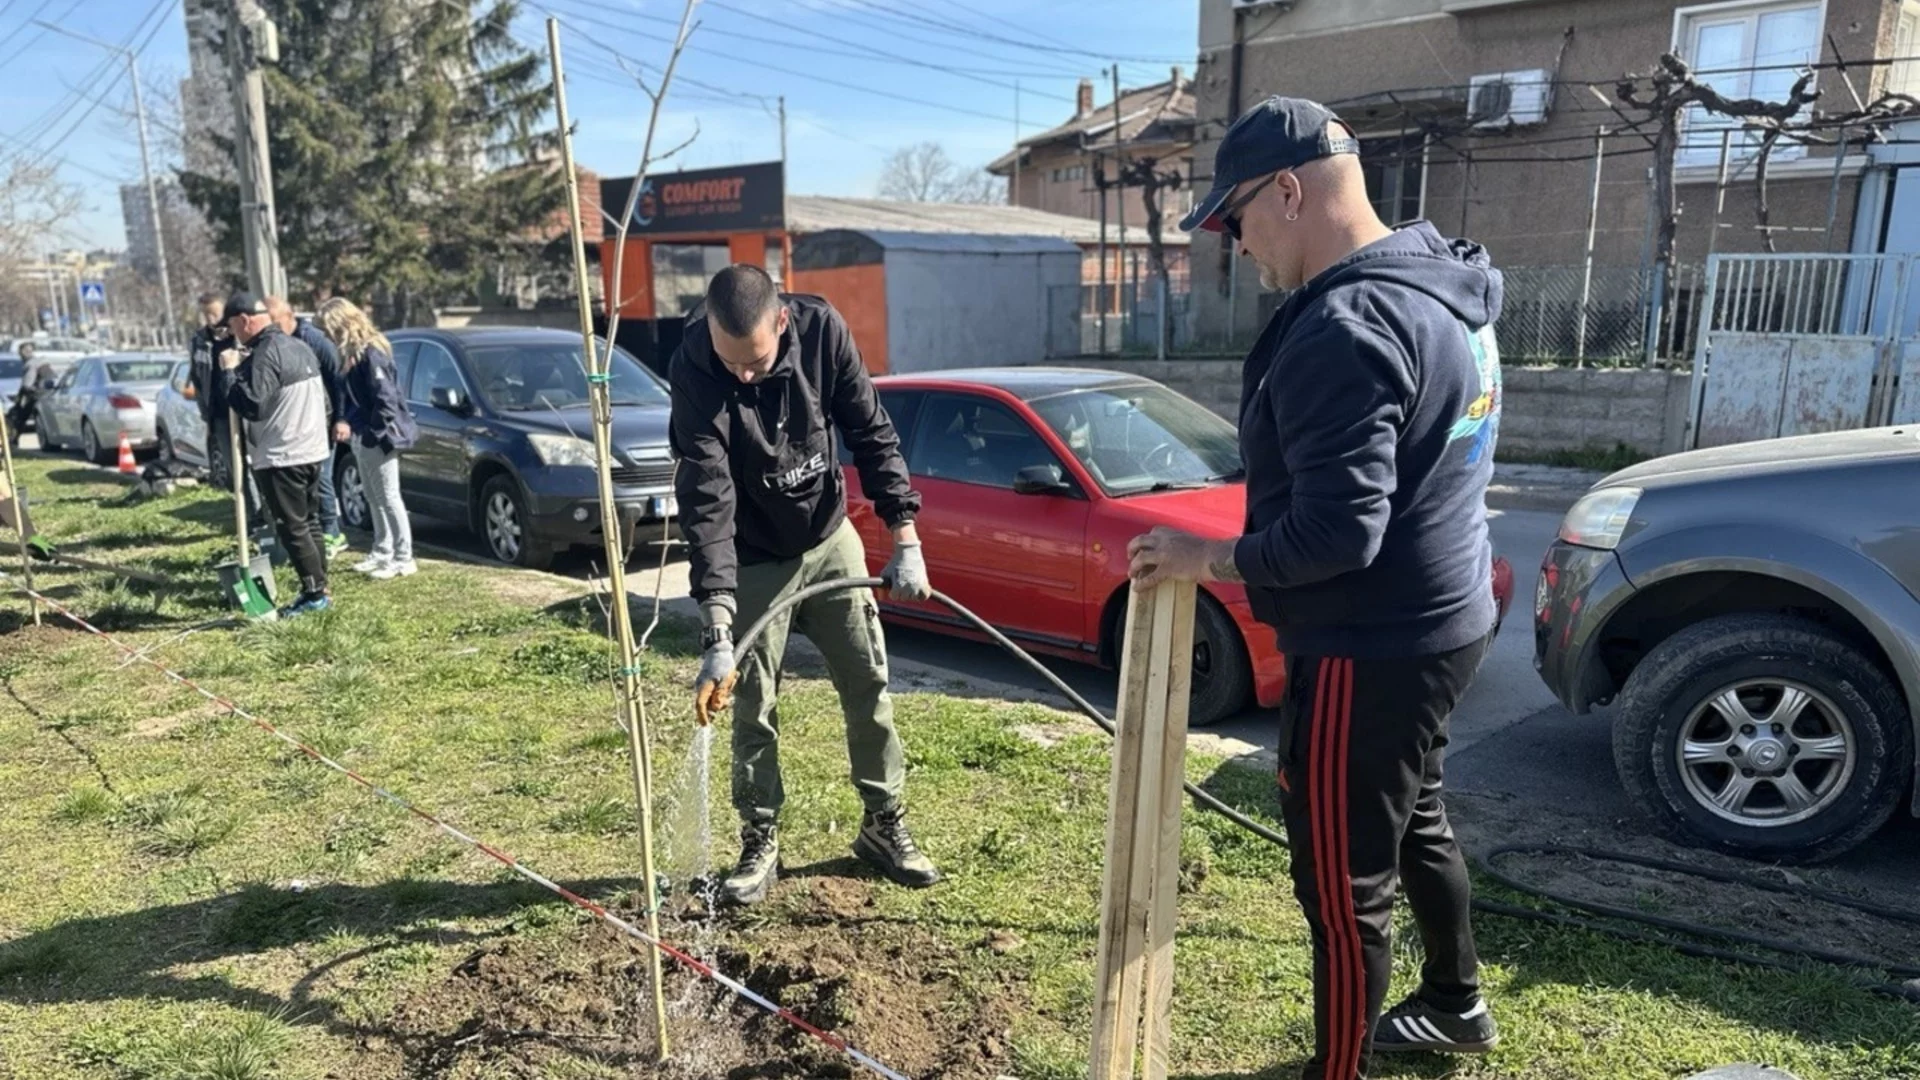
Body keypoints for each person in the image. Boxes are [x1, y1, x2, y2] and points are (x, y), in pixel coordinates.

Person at [1126, 97, 1505, 1078]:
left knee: (1343, 886)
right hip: (1449, 618)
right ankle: (1457, 1004)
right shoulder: (1439, 279)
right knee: (1418, 816)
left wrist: (1200, 557)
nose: (1233, 245)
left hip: (1367, 642)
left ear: (1289, 190)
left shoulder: (1347, 324)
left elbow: (1339, 532)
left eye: (1234, 219)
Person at [672, 264, 936, 907]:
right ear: (709, 329)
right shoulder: (694, 364)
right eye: (730, 362)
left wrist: (906, 538)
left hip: (828, 537)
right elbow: (707, 497)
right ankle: (759, 835)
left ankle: (882, 823)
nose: (743, 376)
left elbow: (872, 432)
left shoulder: (823, 332)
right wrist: (716, 626)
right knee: (752, 700)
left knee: (867, 679)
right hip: (754, 554)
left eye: (755, 363)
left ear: (782, 322)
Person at [217, 292, 334, 618]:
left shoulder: (267, 353)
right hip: (311, 449)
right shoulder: (297, 346)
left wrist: (229, 373)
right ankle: (320, 588)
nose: (232, 335)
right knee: (309, 523)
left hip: (284, 454)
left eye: (232, 327)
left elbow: (253, 406)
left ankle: (315, 597)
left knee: (293, 528)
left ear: (244, 320)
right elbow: (325, 403)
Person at [318, 296, 417, 580]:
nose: (327, 336)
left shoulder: (372, 353)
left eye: (328, 330)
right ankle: (382, 550)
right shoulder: (353, 354)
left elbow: (385, 399)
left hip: (379, 436)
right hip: (364, 432)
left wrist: (374, 432)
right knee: (373, 495)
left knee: (389, 495)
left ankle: (403, 556)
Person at [269, 296, 348, 560]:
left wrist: (341, 418)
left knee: (323, 477)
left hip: (324, 421)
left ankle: (332, 532)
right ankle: (316, 530)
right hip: (302, 422)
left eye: (273, 321)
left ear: (287, 316)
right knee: (309, 482)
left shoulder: (313, 339)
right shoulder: (279, 343)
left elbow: (339, 382)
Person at [189, 292, 267, 525]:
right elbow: (197, 375)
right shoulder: (200, 340)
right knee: (237, 469)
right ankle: (253, 518)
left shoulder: (241, 336)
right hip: (220, 414)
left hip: (246, 410)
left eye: (215, 313)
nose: (211, 319)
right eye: (206, 314)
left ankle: (269, 514)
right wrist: (206, 411)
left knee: (261, 465)